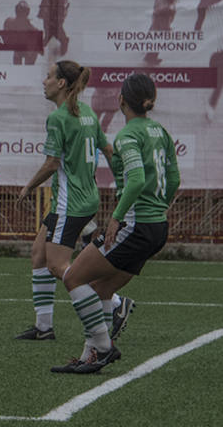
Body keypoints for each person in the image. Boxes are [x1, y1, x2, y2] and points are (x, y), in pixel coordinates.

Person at [51, 73, 179, 374]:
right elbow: (173, 179)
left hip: (135, 226)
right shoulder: (160, 131)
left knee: (72, 279)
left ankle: (104, 348)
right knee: (100, 287)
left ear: (121, 100)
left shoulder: (128, 135)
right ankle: (90, 354)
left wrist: (117, 218)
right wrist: (158, 207)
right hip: (157, 226)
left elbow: (135, 179)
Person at [13, 60, 125, 341]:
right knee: (39, 255)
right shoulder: (87, 112)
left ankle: (115, 304)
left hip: (70, 203)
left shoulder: (59, 117)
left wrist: (28, 186)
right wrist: (121, 183)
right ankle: (43, 327)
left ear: (62, 83)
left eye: (48, 77)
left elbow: (52, 164)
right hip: (84, 199)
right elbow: (108, 149)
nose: (44, 81)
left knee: (59, 266)